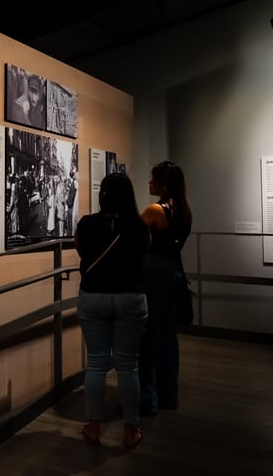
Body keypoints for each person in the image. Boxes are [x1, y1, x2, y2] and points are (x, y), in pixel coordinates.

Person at [74, 172, 149, 450]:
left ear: (102, 194)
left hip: (93, 295)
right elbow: (143, 256)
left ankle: (93, 427)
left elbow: (83, 254)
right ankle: (131, 430)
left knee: (96, 362)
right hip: (131, 296)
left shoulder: (86, 224)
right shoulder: (140, 227)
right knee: (128, 364)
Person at [138, 160, 193, 416]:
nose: (149, 183)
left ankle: (147, 399)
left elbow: (132, 237)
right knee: (168, 339)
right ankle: (168, 395)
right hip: (174, 273)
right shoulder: (184, 210)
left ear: (162, 183)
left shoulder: (155, 211)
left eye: (152, 179)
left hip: (155, 277)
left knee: (147, 336)